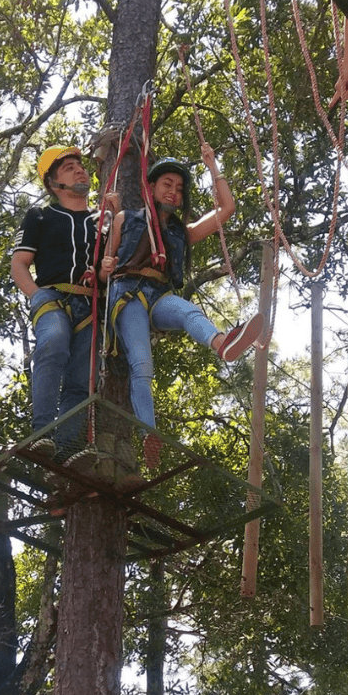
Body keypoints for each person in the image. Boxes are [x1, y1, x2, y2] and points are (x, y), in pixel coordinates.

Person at [101, 144, 265, 469]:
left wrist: (212, 164)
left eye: (178, 188)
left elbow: (226, 208)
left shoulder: (182, 232)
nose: (174, 192)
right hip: (127, 294)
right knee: (142, 365)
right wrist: (106, 265)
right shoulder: (125, 218)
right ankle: (149, 434)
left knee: (190, 312)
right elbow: (106, 261)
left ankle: (222, 344)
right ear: (151, 186)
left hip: (158, 296)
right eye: (167, 185)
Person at [11, 145, 116, 460]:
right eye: (69, 168)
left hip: (90, 303)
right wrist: (38, 296)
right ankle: (42, 432)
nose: (79, 170)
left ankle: (67, 455)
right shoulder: (40, 216)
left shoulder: (102, 221)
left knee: (81, 381)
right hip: (52, 294)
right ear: (54, 183)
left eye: (80, 166)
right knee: (53, 341)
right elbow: (19, 265)